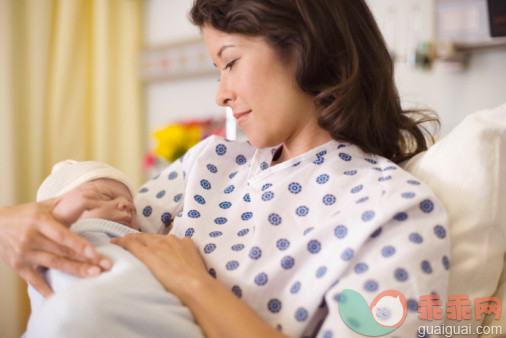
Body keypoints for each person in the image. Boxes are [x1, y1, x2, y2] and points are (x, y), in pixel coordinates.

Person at [0, 0, 450, 337]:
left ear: (306, 45)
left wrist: (194, 285)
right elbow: (100, 238)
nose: (222, 95)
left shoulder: (395, 210)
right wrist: (17, 222)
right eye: (218, 70)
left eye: (230, 63)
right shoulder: (209, 162)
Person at [25, 160, 203, 337]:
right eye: (108, 196)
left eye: (132, 206)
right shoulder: (61, 235)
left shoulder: (137, 242)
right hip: (80, 312)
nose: (128, 206)